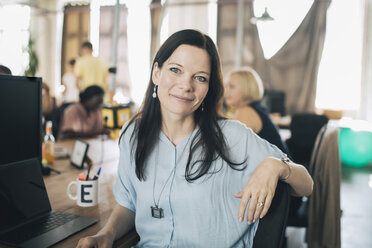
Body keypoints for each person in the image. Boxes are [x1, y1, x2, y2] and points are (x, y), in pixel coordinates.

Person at [77, 29, 313, 248]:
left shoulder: (233, 137)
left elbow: (307, 185)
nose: (186, 85)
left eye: (200, 78)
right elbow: (128, 204)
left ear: (209, 88)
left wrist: (276, 166)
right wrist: (106, 235)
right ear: (156, 73)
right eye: (175, 70)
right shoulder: (132, 134)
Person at [224, 67, 290, 155]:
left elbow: (233, 150)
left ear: (246, 88)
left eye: (231, 87)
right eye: (226, 86)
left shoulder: (246, 111)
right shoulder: (255, 109)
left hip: (279, 167)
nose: (226, 90)